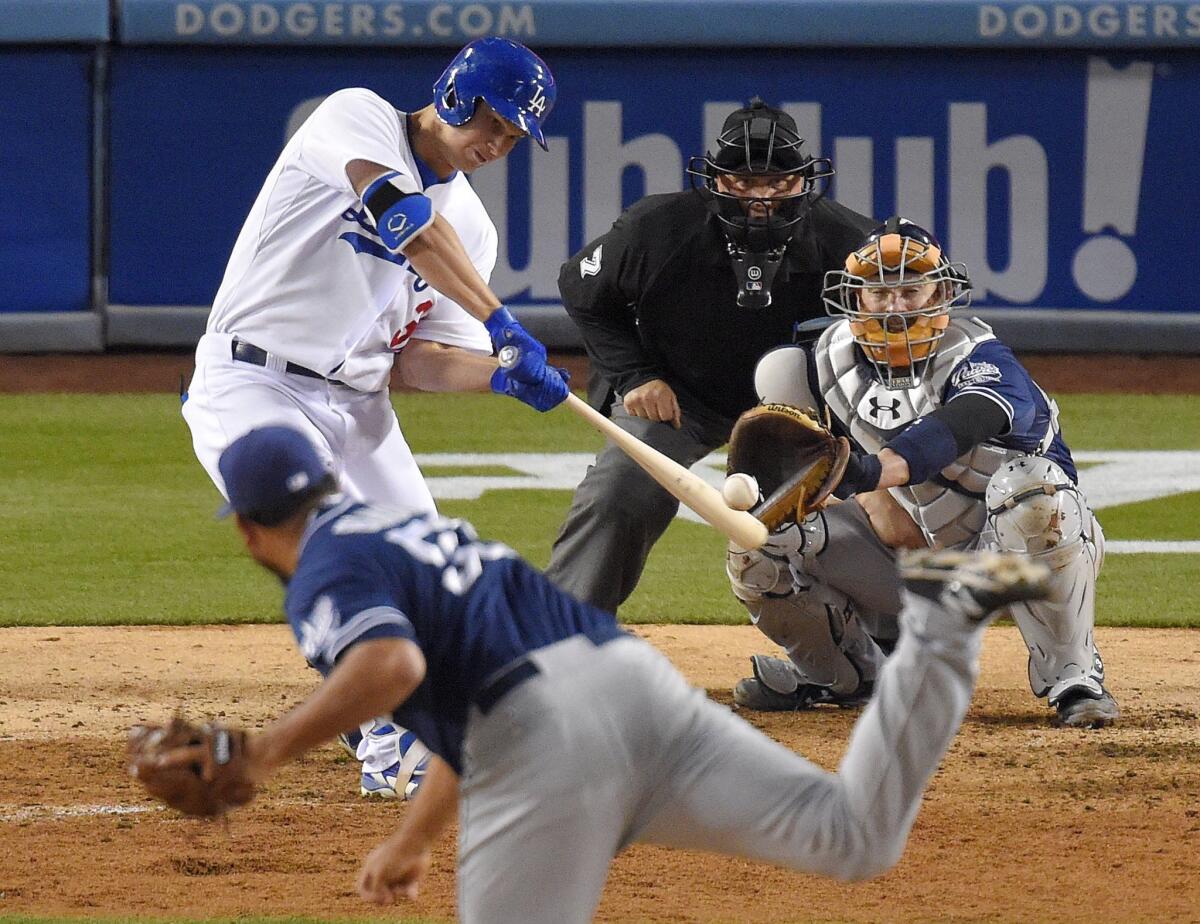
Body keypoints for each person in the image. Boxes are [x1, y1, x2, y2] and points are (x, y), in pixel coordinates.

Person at [168, 424, 1050, 922]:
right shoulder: (398, 535)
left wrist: (263, 754)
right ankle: (936, 619)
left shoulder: (324, 570)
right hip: (629, 685)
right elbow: (465, 701)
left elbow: (391, 664)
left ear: (248, 527)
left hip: (545, 745)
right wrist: (412, 840)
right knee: (850, 834)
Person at [181, 37, 569, 800]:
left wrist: (503, 377)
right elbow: (408, 225)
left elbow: (416, 361)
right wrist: (501, 322)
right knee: (335, 544)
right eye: (494, 121)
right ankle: (388, 744)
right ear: (457, 95)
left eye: (516, 136)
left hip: (359, 405)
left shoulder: (476, 229)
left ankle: (419, 720)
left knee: (428, 575)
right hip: (250, 383)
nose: (499, 144)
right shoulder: (357, 118)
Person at [727, 216, 1119, 729]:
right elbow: (802, 476)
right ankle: (847, 674)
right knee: (758, 541)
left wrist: (870, 474)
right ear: (855, 297)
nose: (894, 306)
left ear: (942, 293)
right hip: (906, 562)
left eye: (911, 290)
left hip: (1008, 566)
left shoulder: (981, 358)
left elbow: (955, 426)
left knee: (1032, 494)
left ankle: (1074, 677)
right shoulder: (814, 366)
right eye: (879, 291)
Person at [543, 97, 875, 613]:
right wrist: (634, 375)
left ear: (803, 183)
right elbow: (581, 290)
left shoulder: (850, 243)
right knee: (621, 489)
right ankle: (560, 636)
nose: (760, 199)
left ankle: (870, 647)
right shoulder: (655, 229)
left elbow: (885, 338)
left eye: (777, 184)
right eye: (744, 183)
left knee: (866, 498)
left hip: (808, 408)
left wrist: (850, 424)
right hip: (679, 396)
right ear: (716, 181)